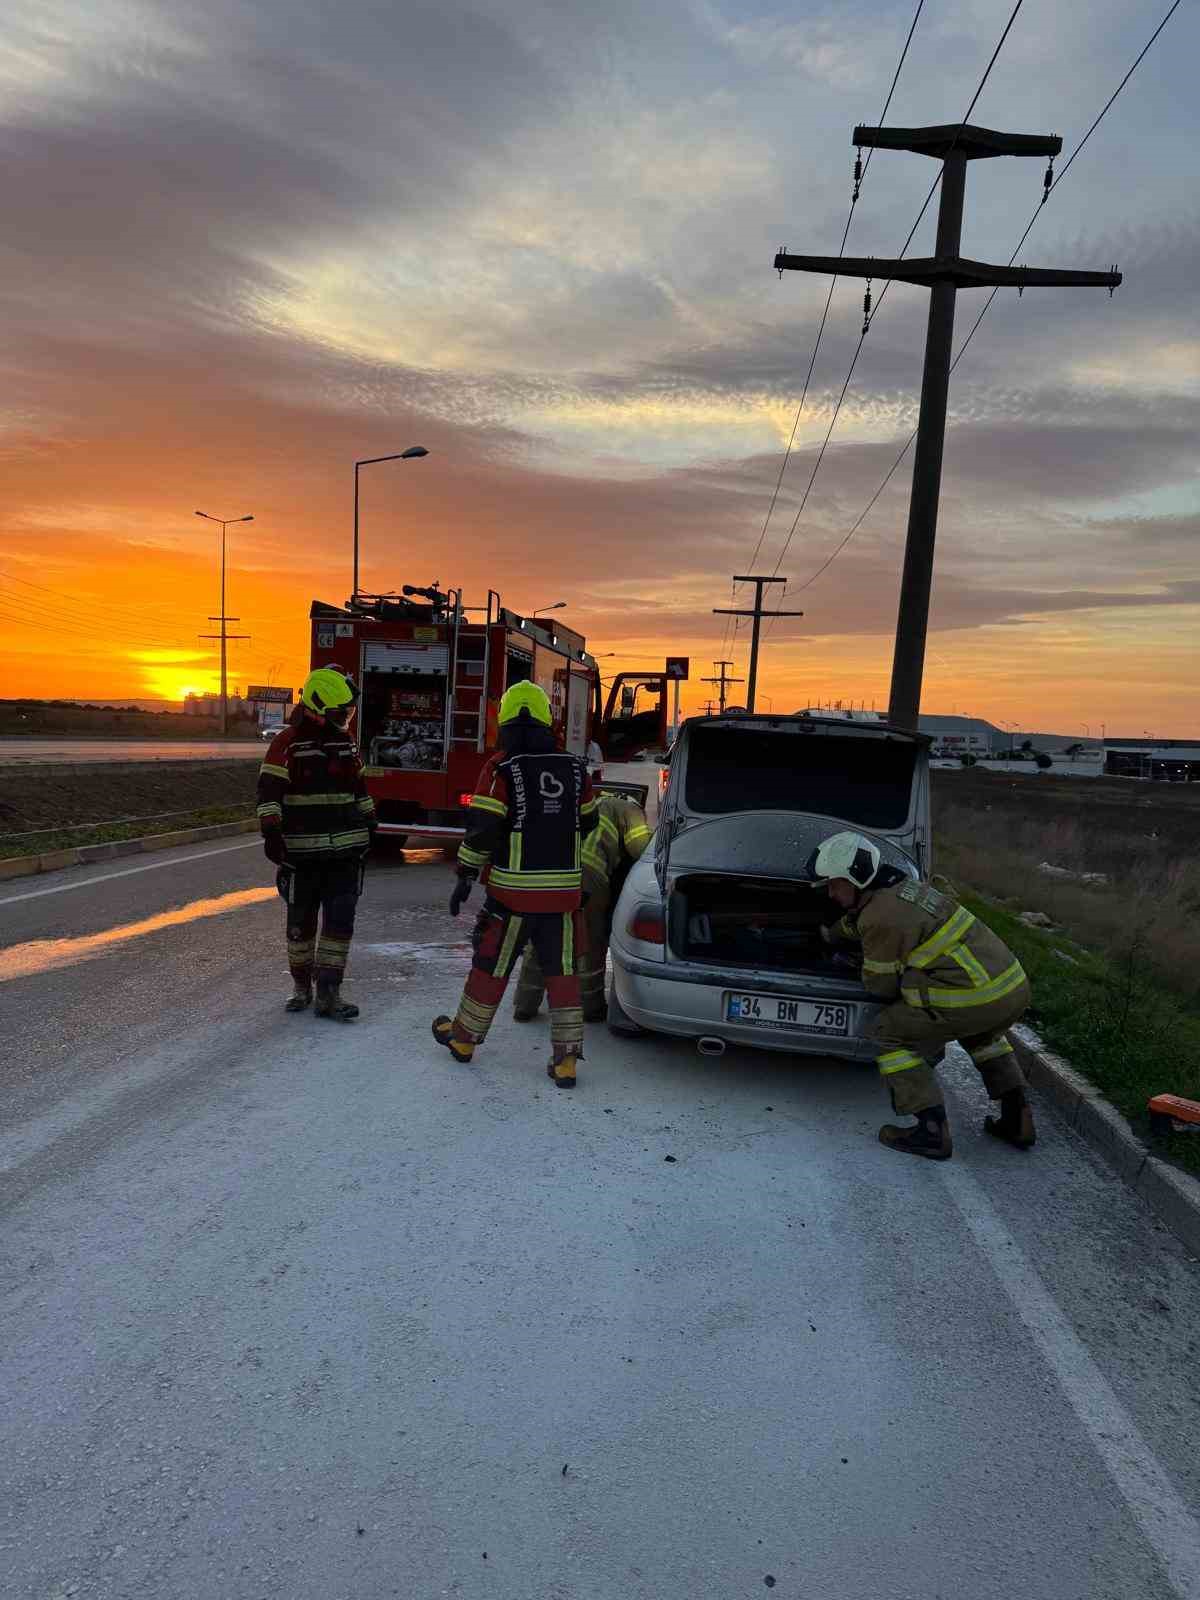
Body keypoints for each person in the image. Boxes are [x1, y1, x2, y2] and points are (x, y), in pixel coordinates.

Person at [809, 831, 1035, 1161]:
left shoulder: (879, 917)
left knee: (888, 1033)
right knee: (981, 1035)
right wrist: (833, 934)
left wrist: (860, 960)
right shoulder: (904, 891)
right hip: (1009, 988)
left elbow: (880, 987)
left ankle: (930, 1131)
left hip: (972, 997)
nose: (829, 893)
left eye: (833, 884)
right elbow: (861, 923)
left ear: (856, 880)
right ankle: (1018, 1119)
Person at [432, 681, 598, 1087]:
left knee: (491, 965)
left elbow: (482, 831)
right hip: (562, 900)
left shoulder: (501, 768)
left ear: (504, 723)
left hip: (511, 897)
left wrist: (465, 878)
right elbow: (590, 822)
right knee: (562, 974)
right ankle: (566, 1060)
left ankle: (465, 1040)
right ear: (546, 721)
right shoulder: (576, 769)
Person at [257, 666, 375, 1021]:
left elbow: (359, 788)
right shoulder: (287, 743)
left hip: (345, 854)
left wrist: (371, 822)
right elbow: (268, 793)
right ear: (317, 706)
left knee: (339, 926)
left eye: (348, 712)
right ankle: (301, 987)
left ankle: (329, 993)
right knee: (300, 928)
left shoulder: (345, 741)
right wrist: (272, 834)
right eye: (341, 712)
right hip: (301, 856)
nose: (346, 718)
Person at [512, 791, 651, 1022]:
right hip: (588, 878)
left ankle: (525, 1005)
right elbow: (640, 848)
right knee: (590, 942)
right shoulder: (631, 810)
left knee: (542, 939)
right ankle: (591, 1006)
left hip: (553, 874)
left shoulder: (587, 803)